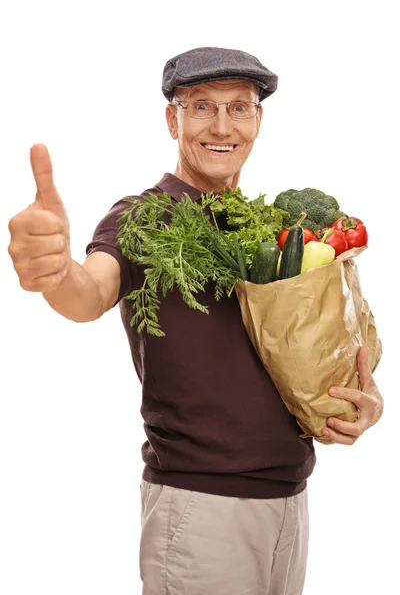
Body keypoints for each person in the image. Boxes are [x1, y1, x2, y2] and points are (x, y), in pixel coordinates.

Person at [8, 46, 384, 594]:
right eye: (201, 107)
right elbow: (89, 291)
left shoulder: (270, 226)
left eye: (240, 107)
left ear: (259, 120)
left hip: (290, 502)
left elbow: (306, 351)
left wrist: (362, 403)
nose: (223, 125)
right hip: (202, 512)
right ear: (172, 119)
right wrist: (54, 271)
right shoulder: (143, 216)